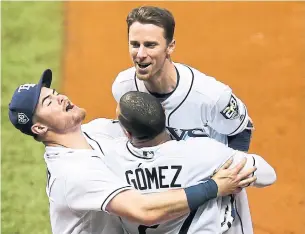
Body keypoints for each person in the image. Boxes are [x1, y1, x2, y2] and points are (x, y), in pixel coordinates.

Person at [8, 69, 256, 234]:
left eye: (54, 93)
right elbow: (144, 210)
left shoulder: (97, 131)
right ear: (39, 127)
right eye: (49, 102)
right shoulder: (72, 174)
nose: (60, 97)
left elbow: (152, 128)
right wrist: (214, 187)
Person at [111, 6, 255, 233]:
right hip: (171, 200)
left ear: (170, 46)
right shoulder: (124, 87)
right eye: (134, 44)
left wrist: (231, 173)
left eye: (150, 45)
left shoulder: (210, 96)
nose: (140, 54)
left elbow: (242, 128)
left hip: (215, 204)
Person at [102, 91, 276, 234]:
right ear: (164, 112)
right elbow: (267, 175)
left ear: (127, 133)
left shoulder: (109, 159)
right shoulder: (201, 152)